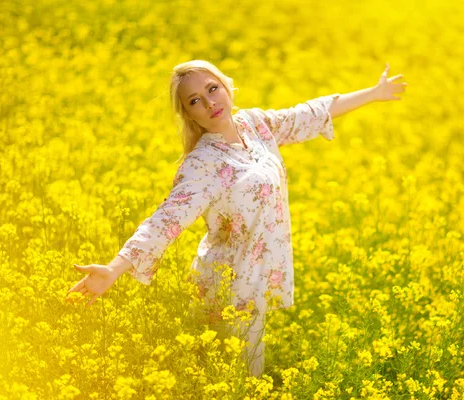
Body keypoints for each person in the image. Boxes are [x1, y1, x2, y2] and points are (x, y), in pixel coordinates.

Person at [65, 59, 407, 377]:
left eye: (212, 89)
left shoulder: (254, 125)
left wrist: (374, 94)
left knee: (237, 380)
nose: (210, 102)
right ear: (188, 114)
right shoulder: (203, 163)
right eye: (195, 100)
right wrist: (114, 269)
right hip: (228, 291)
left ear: (227, 88)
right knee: (240, 382)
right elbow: (165, 220)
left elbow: (309, 113)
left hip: (254, 283)